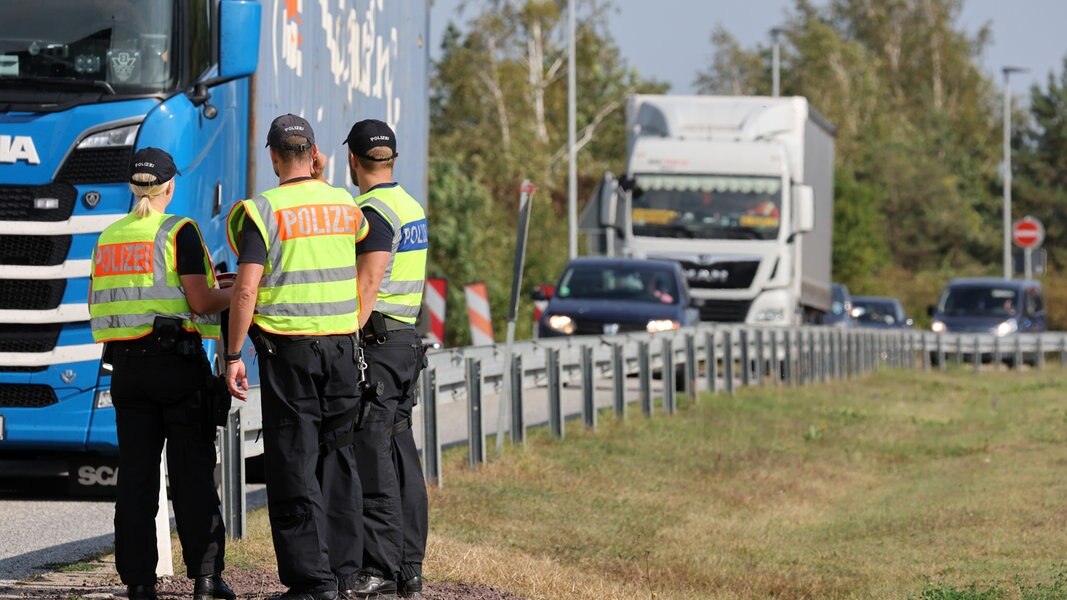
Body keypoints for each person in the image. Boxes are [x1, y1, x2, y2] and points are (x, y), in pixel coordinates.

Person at [223, 114, 369, 600]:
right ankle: (346, 571)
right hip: (345, 351)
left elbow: (245, 291)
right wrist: (321, 176)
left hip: (292, 353)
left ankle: (312, 580)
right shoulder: (344, 202)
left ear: (271, 156)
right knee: (338, 457)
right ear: (314, 152)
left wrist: (232, 354)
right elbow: (354, 234)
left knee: (293, 461)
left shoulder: (262, 210)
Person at [89, 148, 235, 600]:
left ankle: (138, 584)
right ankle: (206, 580)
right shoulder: (180, 232)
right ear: (170, 186)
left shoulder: (109, 236)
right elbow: (199, 303)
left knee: (135, 479)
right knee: (191, 475)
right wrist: (238, 292)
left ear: (134, 189)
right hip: (176, 367)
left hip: (127, 370)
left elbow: (97, 305)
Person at [345, 119, 429, 599]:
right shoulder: (409, 204)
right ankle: (410, 567)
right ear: (391, 159)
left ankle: (378, 569)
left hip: (377, 347)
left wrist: (345, 337)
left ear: (354, 160)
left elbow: (368, 284)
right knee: (401, 455)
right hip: (404, 343)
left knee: (374, 458)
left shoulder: (373, 212)